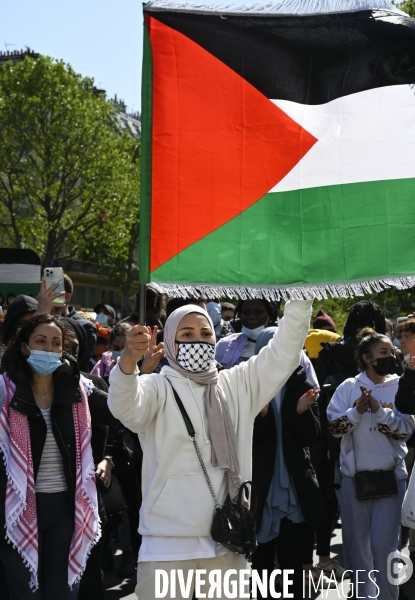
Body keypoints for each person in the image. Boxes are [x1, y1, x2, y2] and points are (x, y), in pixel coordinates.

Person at [107, 299, 313, 599]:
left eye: (205, 334)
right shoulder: (156, 388)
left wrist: (300, 302)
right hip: (167, 544)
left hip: (227, 542)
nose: (198, 341)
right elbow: (125, 407)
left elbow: (284, 353)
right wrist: (128, 363)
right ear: (169, 340)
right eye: (187, 334)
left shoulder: (237, 385)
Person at [0, 313, 118, 599]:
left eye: (56, 343)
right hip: (15, 509)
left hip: (64, 508)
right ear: (24, 347)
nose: (48, 349)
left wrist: (133, 369)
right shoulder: (4, 390)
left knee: (60, 592)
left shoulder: (80, 390)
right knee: (23, 592)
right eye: (40, 341)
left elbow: (122, 413)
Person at [327, 332, 415, 600]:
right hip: (355, 481)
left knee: (385, 547)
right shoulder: (348, 387)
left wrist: (378, 410)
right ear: (367, 358)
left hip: (391, 479)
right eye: (384, 352)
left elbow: (406, 431)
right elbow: (334, 427)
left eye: (393, 351)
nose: (393, 357)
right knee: (359, 549)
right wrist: (357, 411)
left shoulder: (401, 386)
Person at [250, 328, 325, 598]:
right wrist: (261, 415)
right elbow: (240, 438)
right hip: (261, 485)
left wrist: (301, 413)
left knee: (292, 563)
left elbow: (312, 437)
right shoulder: (248, 384)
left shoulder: (301, 383)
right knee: (260, 563)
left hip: (293, 484)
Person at [216, 298, 280, 368]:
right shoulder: (223, 345)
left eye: (258, 312)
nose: (251, 317)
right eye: (245, 312)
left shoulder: (281, 346)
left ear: (269, 315)